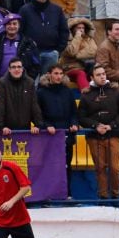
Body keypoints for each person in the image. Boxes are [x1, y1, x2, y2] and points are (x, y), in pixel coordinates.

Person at [78, 65, 119, 200]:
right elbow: (81, 117)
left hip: (113, 134)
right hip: (94, 137)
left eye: (103, 74)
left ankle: (116, 195)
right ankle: (103, 197)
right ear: (92, 77)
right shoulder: (86, 95)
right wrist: (95, 125)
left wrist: (112, 125)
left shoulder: (116, 92)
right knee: (100, 168)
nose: (102, 77)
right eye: (98, 75)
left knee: (114, 168)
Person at [37, 65, 79, 198]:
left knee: (67, 166)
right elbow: (38, 114)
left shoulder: (67, 91)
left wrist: (74, 124)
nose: (58, 76)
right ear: (49, 74)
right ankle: (48, 194)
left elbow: (74, 112)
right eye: (56, 73)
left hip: (66, 134)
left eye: (61, 73)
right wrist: (46, 125)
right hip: (49, 136)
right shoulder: (41, 92)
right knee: (50, 166)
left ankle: (67, 193)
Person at [18, 0, 69, 73]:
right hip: (31, 53)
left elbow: (64, 31)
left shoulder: (56, 10)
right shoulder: (25, 10)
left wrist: (58, 50)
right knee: (33, 82)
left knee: (48, 82)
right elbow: (20, 31)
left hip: (51, 53)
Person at [0, 13, 40, 87]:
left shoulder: (28, 43)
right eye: (9, 24)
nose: (12, 26)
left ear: (19, 26)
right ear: (5, 26)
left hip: (21, 84)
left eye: (14, 24)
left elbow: (36, 64)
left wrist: (28, 80)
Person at [0, 57, 43, 135]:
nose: (16, 69)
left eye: (19, 67)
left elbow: (34, 105)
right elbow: (0, 107)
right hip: (7, 131)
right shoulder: (1, 83)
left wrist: (38, 125)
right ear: (9, 69)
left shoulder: (30, 83)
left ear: (22, 69)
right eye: (13, 67)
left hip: (25, 129)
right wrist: (1, 127)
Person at [59, 18, 97, 91]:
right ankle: (86, 95)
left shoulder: (89, 39)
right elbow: (72, 52)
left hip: (87, 67)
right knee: (80, 73)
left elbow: (94, 51)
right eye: (79, 28)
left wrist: (78, 55)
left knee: (99, 71)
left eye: (83, 28)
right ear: (73, 29)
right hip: (70, 68)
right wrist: (77, 37)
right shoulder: (66, 40)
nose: (81, 30)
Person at [96, 20, 119, 92]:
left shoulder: (116, 46)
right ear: (109, 32)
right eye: (117, 29)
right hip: (111, 89)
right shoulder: (104, 48)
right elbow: (103, 69)